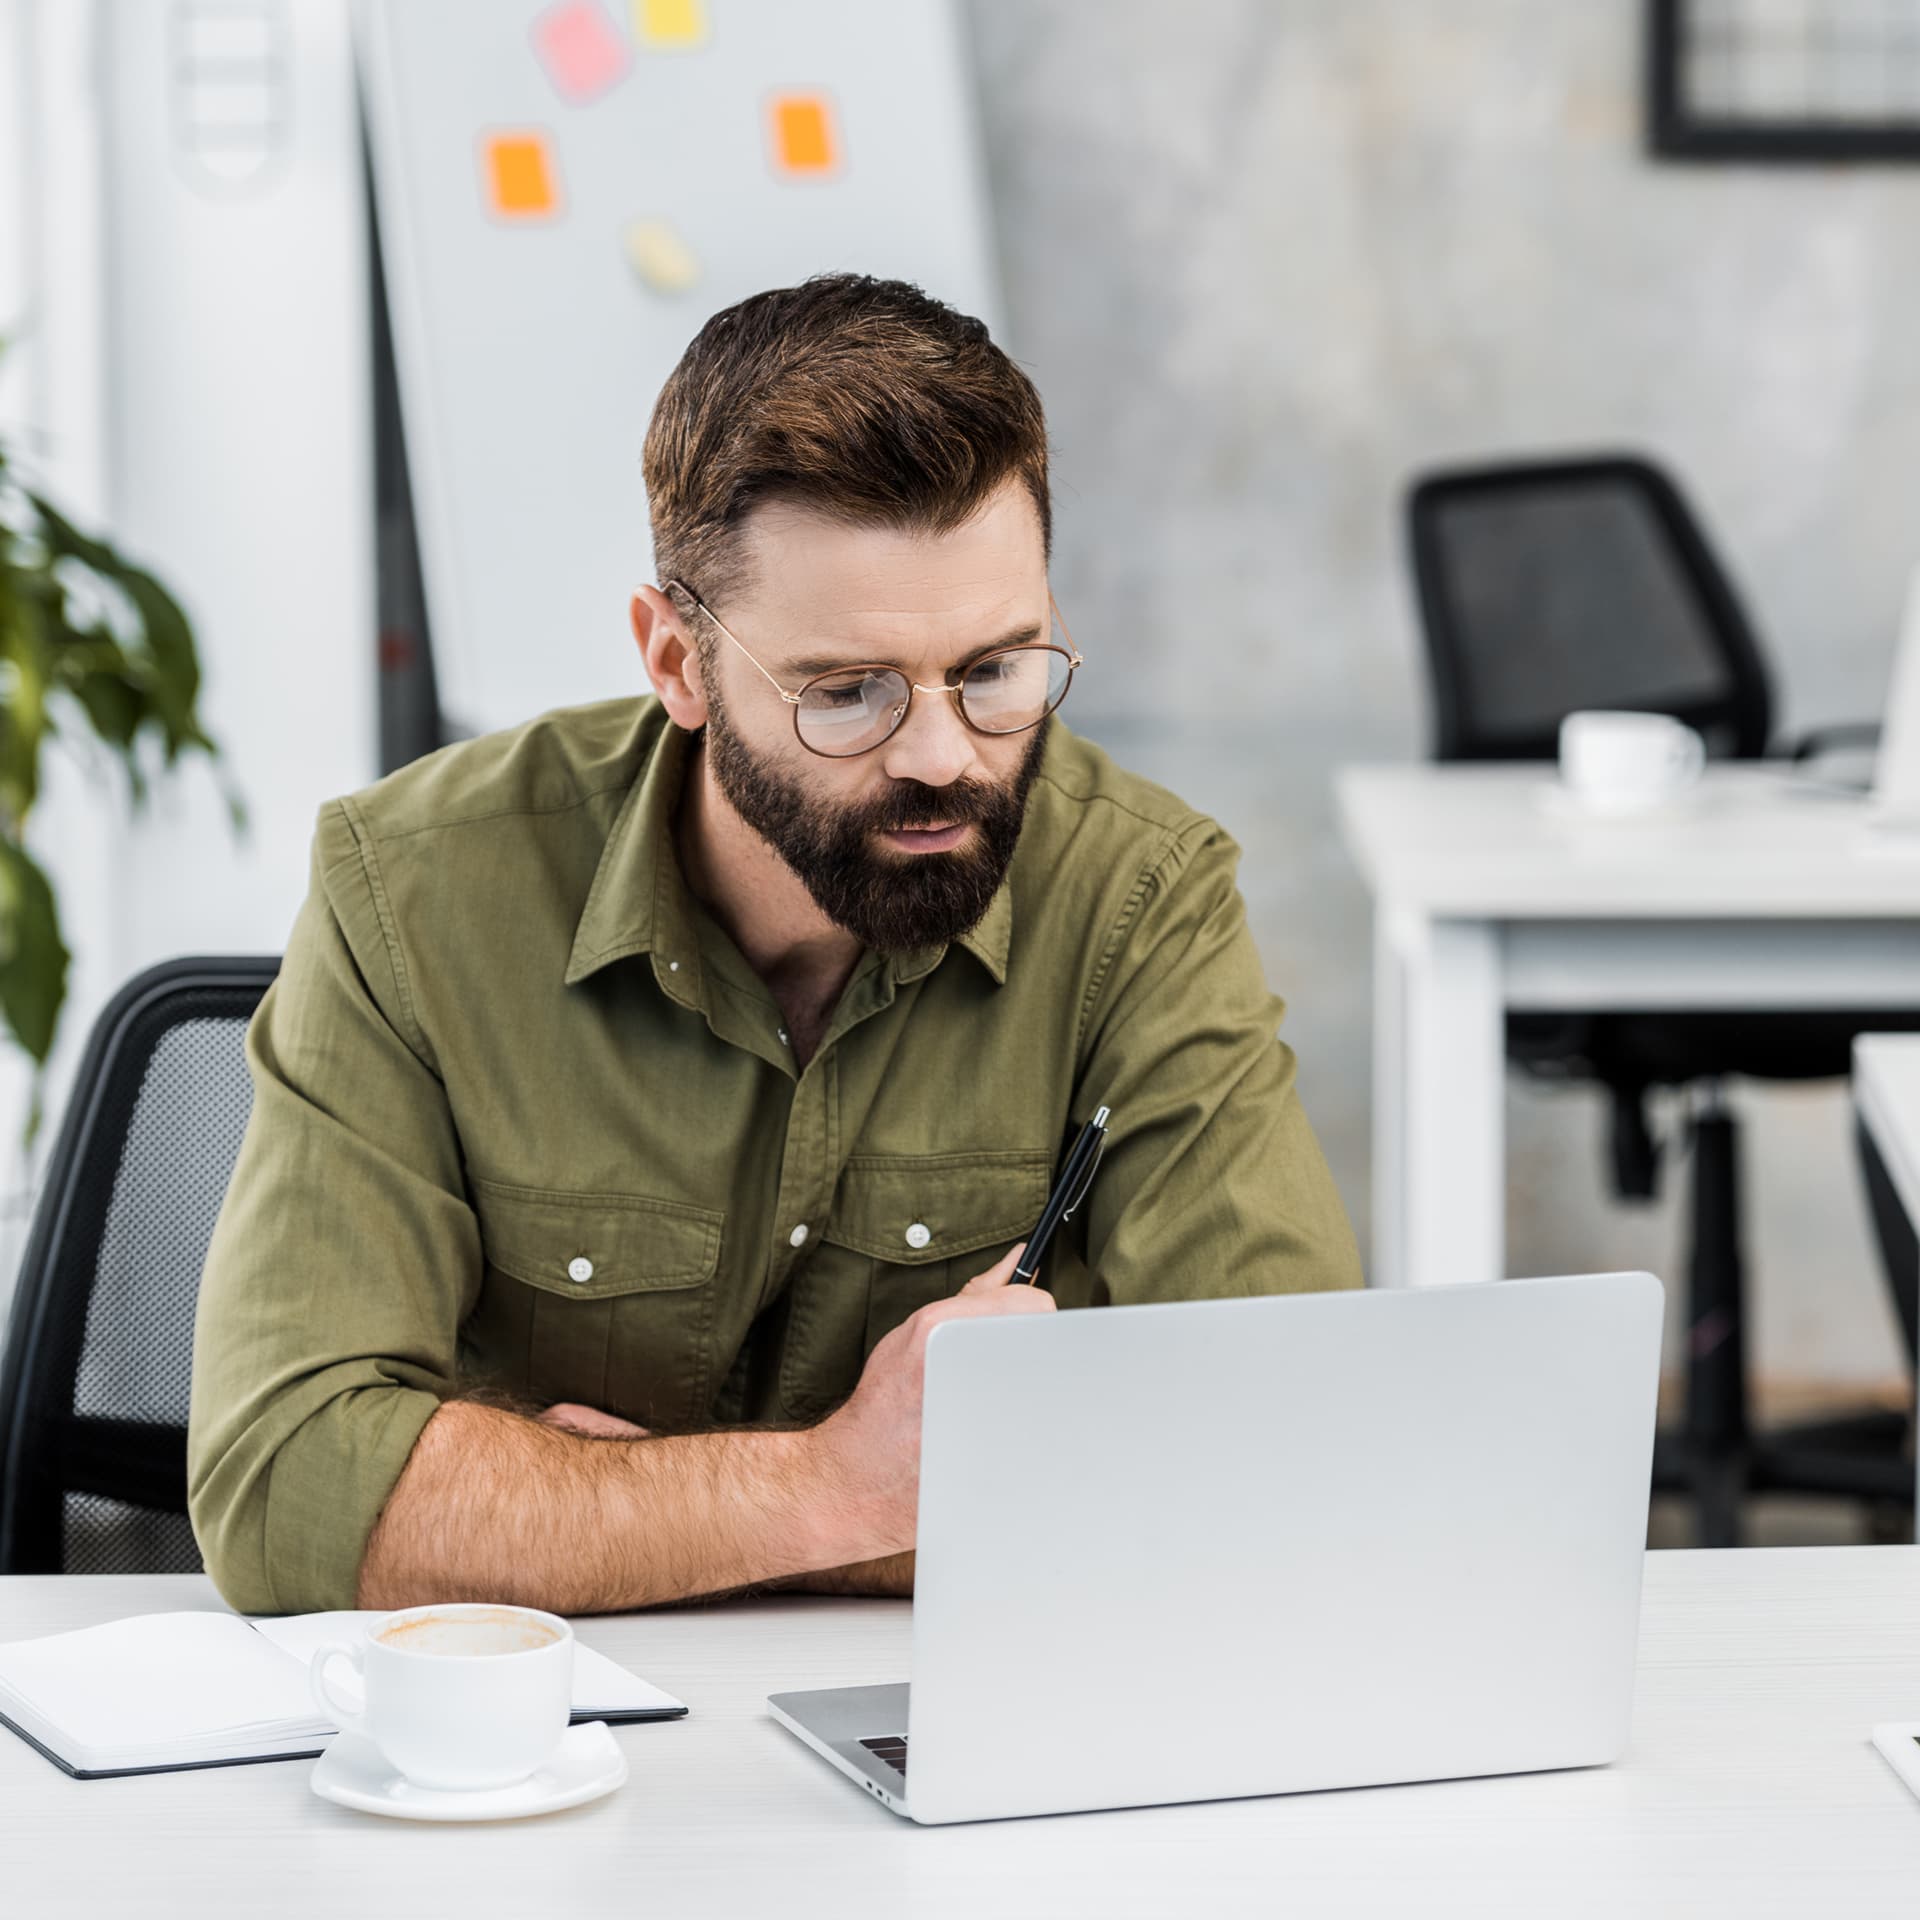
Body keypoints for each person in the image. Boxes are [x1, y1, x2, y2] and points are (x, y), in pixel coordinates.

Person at [187, 274, 1361, 1616]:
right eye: (844, 693)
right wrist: (829, 1487)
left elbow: (1287, 1456)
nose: (941, 757)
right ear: (677, 663)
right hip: (527, 1762)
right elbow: (284, 1489)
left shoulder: (1142, 901)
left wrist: (629, 1515)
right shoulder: (410, 891)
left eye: (997, 671)